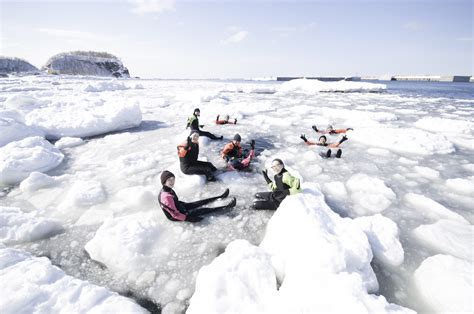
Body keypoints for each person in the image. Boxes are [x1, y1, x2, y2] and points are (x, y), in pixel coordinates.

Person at [158, 170, 236, 222]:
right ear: (164, 182)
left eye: (173, 179)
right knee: (204, 210)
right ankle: (227, 206)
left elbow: (174, 201)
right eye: (169, 180)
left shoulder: (167, 189)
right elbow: (175, 215)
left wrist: (181, 204)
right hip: (178, 215)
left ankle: (220, 196)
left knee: (200, 202)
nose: (172, 182)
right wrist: (189, 218)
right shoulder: (165, 197)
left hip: (179, 206)